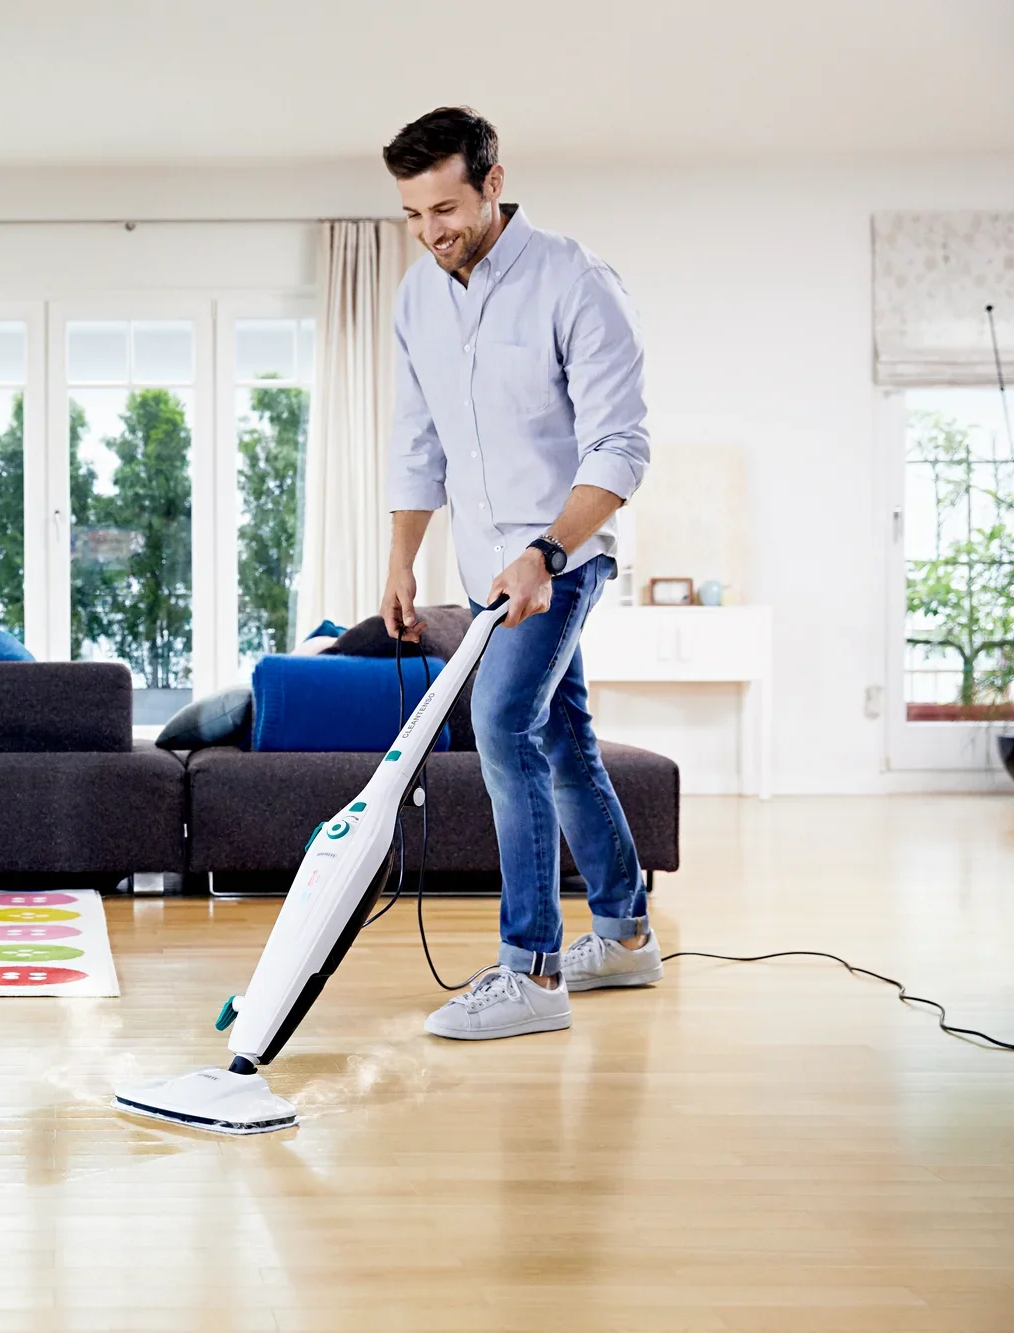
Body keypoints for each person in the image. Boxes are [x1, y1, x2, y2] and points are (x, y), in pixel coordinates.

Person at [379, 106, 660, 1040]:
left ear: (494, 182)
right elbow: (418, 444)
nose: (432, 231)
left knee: (502, 721)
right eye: (414, 214)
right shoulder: (419, 298)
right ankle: (622, 935)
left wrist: (546, 553)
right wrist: (400, 562)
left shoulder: (574, 282)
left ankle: (532, 969)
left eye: (446, 208)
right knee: (564, 734)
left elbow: (620, 446)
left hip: (560, 556)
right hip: (478, 568)